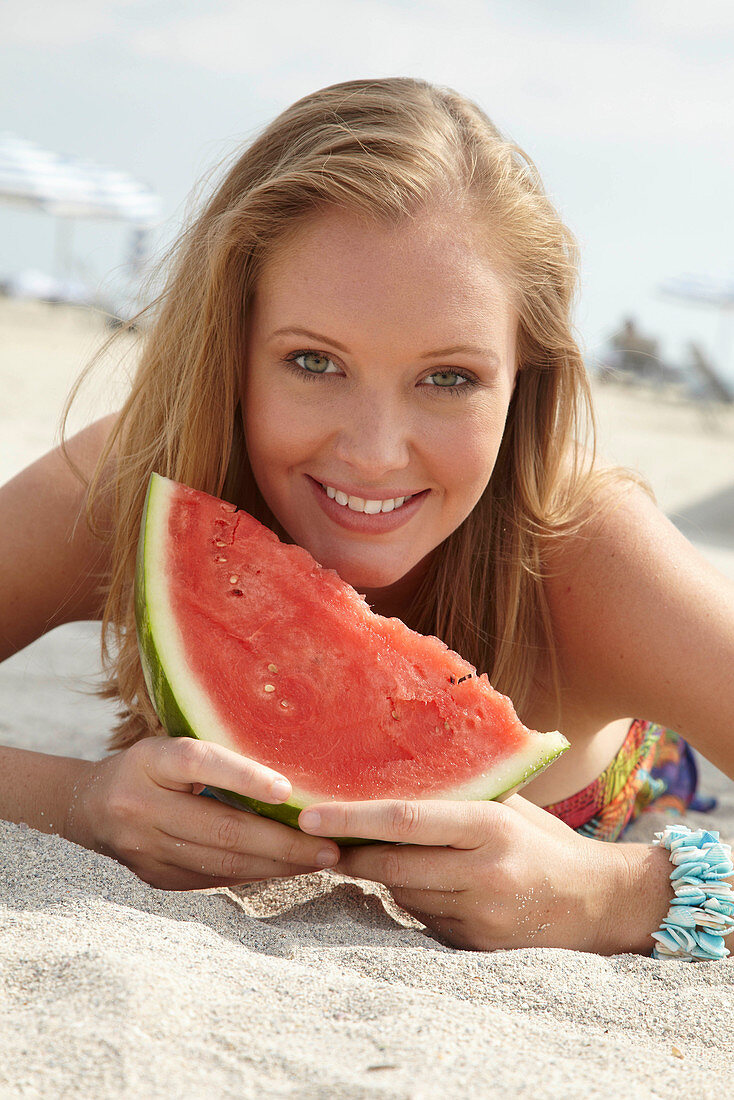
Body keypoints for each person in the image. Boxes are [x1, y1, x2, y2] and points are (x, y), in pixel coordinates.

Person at [2, 78, 732, 958]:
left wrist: (620, 891)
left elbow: (627, 892)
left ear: (523, 379)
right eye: (313, 361)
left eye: (450, 378)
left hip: (651, 790)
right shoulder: (141, 484)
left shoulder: (586, 552)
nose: (377, 453)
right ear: (230, 352)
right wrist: (75, 801)